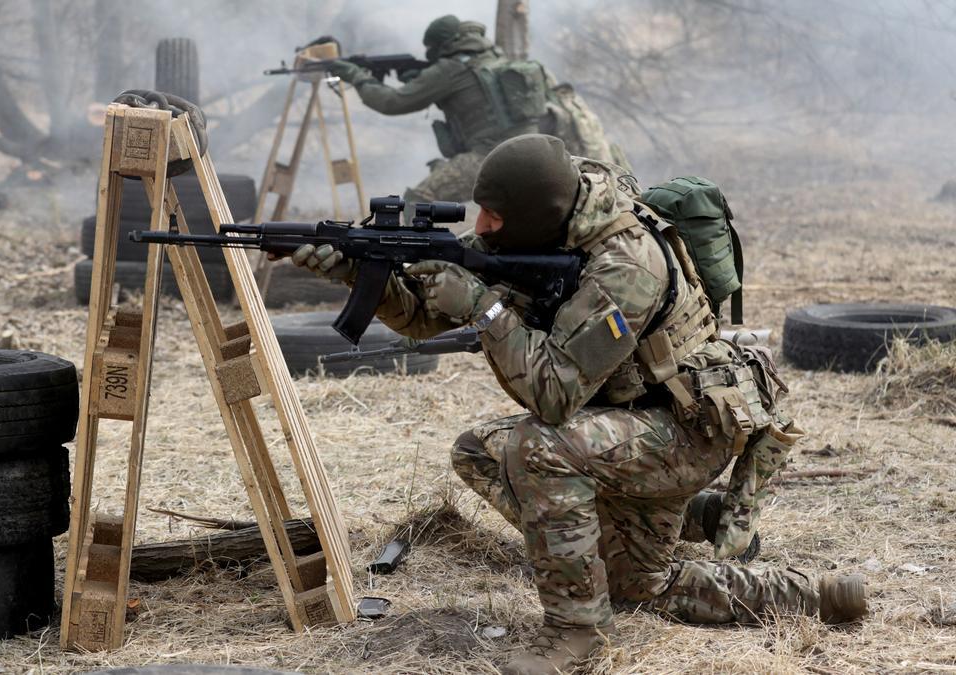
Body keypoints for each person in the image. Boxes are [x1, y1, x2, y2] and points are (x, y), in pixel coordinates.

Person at [289, 135, 866, 674]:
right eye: (480, 210)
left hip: (687, 426)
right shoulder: (541, 229)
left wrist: (486, 310)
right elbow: (421, 316)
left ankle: (578, 630)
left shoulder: (626, 266)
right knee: (498, 468)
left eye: (495, 216)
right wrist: (355, 272)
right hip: (637, 420)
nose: (481, 227)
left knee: (538, 448)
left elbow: (555, 394)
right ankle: (737, 545)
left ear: (537, 216)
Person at [328, 15, 627, 208]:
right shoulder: (498, 60)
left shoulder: (449, 69)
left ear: (439, 47)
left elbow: (391, 103)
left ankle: (414, 271)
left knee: (419, 202)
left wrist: (356, 75)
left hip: (490, 158)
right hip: (536, 155)